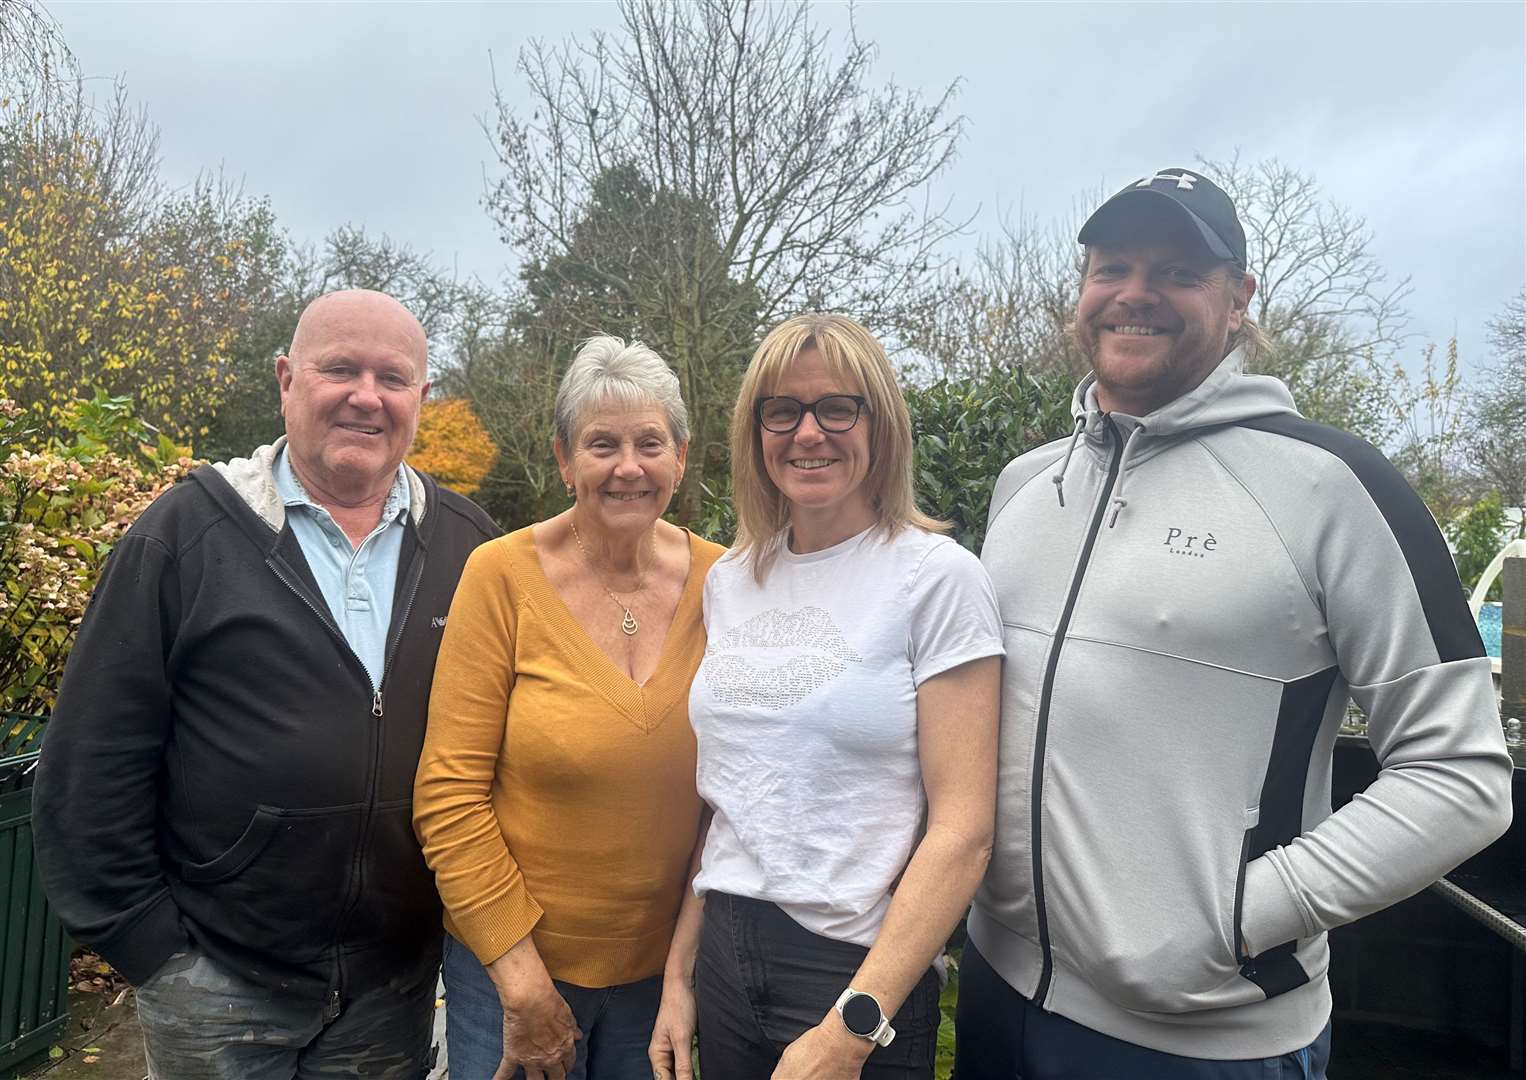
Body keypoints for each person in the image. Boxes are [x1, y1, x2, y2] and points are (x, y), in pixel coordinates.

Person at [959, 167, 1515, 1078]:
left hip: (1205, 1040)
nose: (1136, 293)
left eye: (1177, 270)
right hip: (997, 991)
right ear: (1083, 286)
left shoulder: (1335, 489)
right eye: (1113, 267)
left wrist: (1238, 918)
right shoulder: (1027, 486)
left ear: (1239, 299)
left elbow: (1462, 777)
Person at [31, 289, 500, 1078]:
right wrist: (153, 951)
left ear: (423, 400)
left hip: (394, 986)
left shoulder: (472, 549)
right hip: (217, 981)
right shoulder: (183, 535)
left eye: (393, 378)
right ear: (286, 379)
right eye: (339, 368)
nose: (366, 396)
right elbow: (91, 762)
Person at [651, 313, 1004, 1080]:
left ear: (880, 425)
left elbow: (964, 831)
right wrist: (678, 977)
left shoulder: (937, 579)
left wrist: (853, 1026)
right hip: (725, 948)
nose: (807, 433)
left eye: (836, 408)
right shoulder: (733, 580)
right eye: (782, 410)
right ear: (756, 432)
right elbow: (728, 804)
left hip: (852, 965)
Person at [413, 336, 725, 1080]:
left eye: (651, 443)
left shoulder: (729, 583)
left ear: (681, 456)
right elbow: (448, 794)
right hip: (510, 975)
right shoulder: (500, 577)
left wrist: (683, 970)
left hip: (665, 977)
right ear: (563, 459)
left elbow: (741, 795)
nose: (628, 466)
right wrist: (520, 982)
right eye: (601, 444)